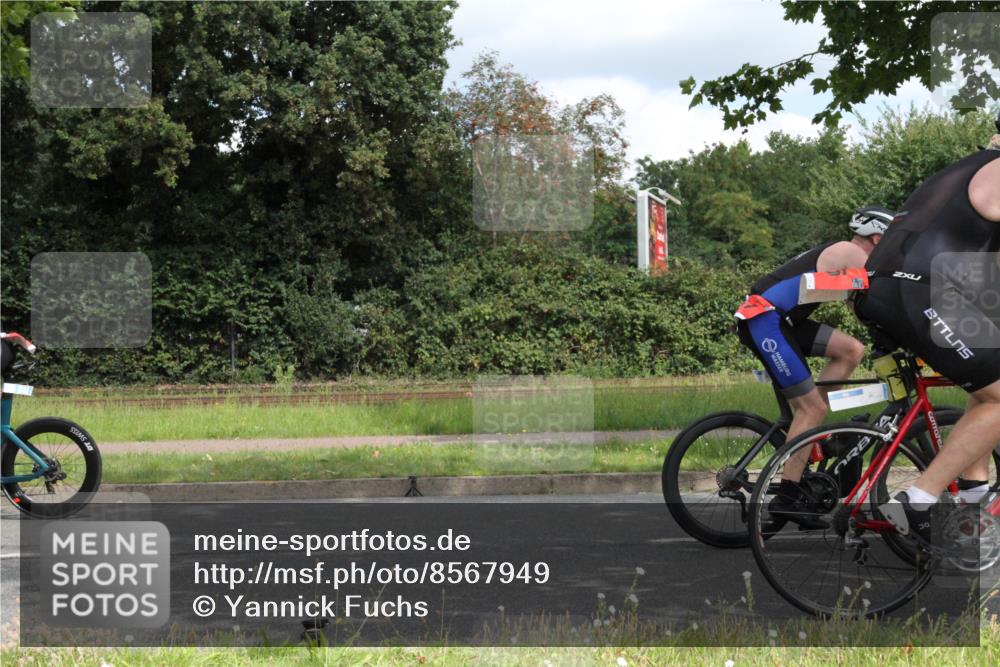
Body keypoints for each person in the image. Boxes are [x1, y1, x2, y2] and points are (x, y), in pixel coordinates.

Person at [862, 117, 1000, 545]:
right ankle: (917, 499)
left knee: (985, 391)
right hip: (919, 290)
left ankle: (974, 504)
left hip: (887, 286)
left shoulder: (969, 166)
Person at [735, 205, 895, 524]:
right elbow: (885, 298)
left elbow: (861, 308)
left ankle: (812, 434)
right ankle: (787, 495)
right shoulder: (852, 253)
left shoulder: (845, 256)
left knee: (851, 349)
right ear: (877, 238)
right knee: (812, 409)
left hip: (782, 321)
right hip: (765, 321)